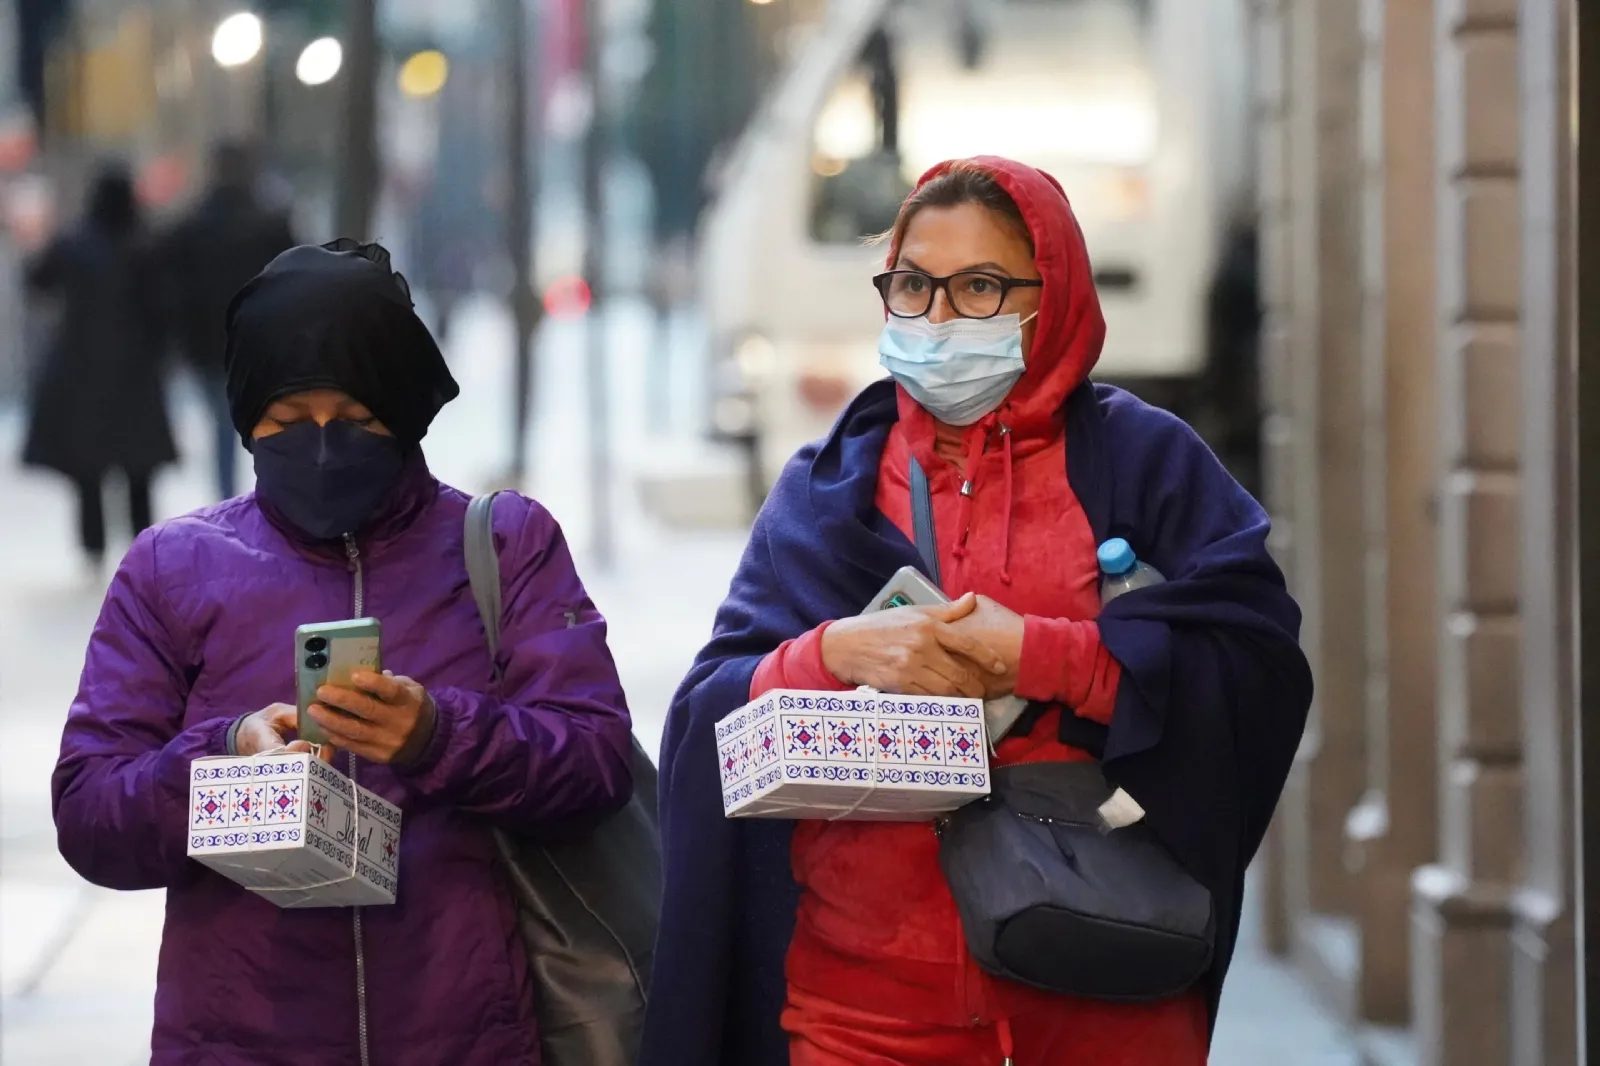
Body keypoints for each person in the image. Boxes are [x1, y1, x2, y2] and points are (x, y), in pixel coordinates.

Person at [643, 158, 1312, 1065]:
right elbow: (707, 715)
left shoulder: (1147, 464)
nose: (939, 318)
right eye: (914, 285)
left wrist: (1038, 656)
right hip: (865, 1003)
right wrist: (833, 653)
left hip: (1107, 985)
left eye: (982, 287)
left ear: (1056, 296)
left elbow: (1253, 674)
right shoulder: (830, 487)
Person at [51, 239, 635, 1065]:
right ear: (248, 420)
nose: (323, 445)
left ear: (403, 414)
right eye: (288, 422)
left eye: (358, 419)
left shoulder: (506, 546)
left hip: (465, 1034)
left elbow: (596, 761)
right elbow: (89, 813)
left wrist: (439, 736)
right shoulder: (172, 568)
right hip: (240, 1038)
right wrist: (223, 757)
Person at [22, 162, 176, 572]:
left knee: (88, 466)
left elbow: (38, 281)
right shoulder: (146, 244)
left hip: (82, 370)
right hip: (136, 373)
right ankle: (143, 549)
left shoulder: (74, 242)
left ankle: (93, 546)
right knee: (138, 467)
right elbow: (165, 307)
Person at [157, 140, 297, 500]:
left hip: (207, 343)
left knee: (223, 422)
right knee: (264, 421)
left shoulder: (190, 226)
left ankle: (228, 498)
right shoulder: (271, 224)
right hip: (262, 341)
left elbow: (168, 282)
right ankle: (271, 495)